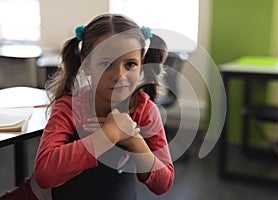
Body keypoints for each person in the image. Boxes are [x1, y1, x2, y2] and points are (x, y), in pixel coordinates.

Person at [33, 13, 174, 200]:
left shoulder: (145, 110)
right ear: (87, 64)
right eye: (106, 64)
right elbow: (45, 174)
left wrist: (134, 140)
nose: (119, 75)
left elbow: (163, 183)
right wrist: (110, 134)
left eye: (130, 64)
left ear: (141, 65)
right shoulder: (69, 107)